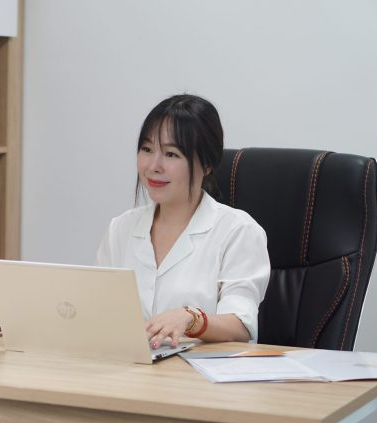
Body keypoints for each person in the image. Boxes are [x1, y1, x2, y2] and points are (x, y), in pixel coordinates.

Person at [96, 94, 270, 348]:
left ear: (207, 164)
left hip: (200, 371)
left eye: (171, 154)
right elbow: (97, 312)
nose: (154, 165)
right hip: (129, 366)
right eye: (147, 149)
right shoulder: (120, 229)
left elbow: (241, 326)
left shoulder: (238, 230)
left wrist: (191, 318)